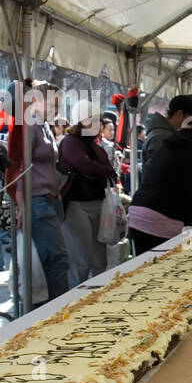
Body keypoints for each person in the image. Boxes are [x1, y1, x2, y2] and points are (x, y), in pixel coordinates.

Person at [4, 80, 73, 306]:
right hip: (37, 201)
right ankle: (56, 310)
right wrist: (21, 203)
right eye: (53, 104)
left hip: (50, 200)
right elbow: (20, 166)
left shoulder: (43, 125)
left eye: (59, 105)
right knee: (56, 260)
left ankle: (55, 308)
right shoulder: (29, 125)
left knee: (54, 260)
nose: (57, 110)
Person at [127, 113, 192, 254]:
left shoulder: (165, 146)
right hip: (162, 221)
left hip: (137, 215)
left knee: (144, 268)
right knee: (173, 267)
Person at [58, 100, 119, 285]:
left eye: (99, 121)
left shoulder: (97, 147)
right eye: (92, 120)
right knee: (81, 261)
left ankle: (96, 297)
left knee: (100, 259)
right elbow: (85, 166)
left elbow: (111, 172)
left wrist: (100, 170)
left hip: (98, 204)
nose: (98, 125)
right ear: (80, 122)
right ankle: (72, 303)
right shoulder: (70, 142)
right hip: (76, 206)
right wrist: (102, 170)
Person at [140, 94, 192, 168]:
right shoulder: (161, 137)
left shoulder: (165, 134)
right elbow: (158, 171)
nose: (190, 123)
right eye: (190, 119)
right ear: (180, 114)